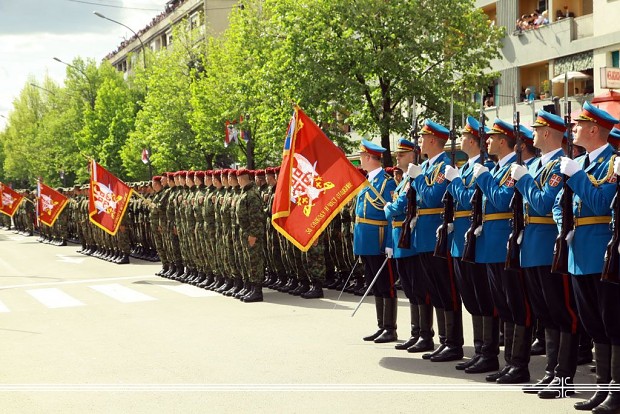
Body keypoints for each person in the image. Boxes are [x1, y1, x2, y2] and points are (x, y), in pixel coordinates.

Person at [555, 102, 620, 412]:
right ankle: (603, 388)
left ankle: (616, 393)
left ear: (595, 130)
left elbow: (600, 205)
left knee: (612, 323)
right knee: (593, 324)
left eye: (579, 126)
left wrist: (576, 176)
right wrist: (563, 226)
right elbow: (560, 203)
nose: (574, 130)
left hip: (601, 253)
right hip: (579, 251)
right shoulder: (582, 163)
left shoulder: (613, 163)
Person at [511, 109, 580, 399]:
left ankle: (564, 377)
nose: (532, 135)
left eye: (537, 130)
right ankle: (551, 372)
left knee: (562, 313)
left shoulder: (560, 167)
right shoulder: (539, 164)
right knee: (545, 313)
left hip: (549, 244)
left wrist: (524, 180)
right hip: (532, 246)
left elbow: (542, 204)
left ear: (549, 133)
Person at [473, 119, 533, 384]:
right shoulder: (498, 168)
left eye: (493, 137)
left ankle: (519, 364)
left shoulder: (514, 168)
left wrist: (484, 178)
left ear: (503, 141)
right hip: (492, 245)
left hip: (505, 245)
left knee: (515, 305)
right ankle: (508, 362)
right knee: (502, 306)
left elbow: (500, 201)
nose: (487, 141)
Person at [444, 116, 499, 372]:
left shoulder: (484, 167)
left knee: (482, 296)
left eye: (465, 136)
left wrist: (454, 182)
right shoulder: (467, 167)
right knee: (471, 298)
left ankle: (488, 352)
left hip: (476, 239)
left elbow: (467, 200)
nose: (460, 140)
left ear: (474, 142)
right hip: (461, 239)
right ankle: (479, 350)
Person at [407, 119, 464, 362]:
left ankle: (454, 342)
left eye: (422, 138)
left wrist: (418, 179)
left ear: (432, 140)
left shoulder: (444, 167)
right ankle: (444, 341)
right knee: (435, 290)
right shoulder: (429, 166)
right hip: (424, 235)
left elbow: (431, 198)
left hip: (438, 236)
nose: (419, 142)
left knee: (446, 289)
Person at [354, 139, 397, 343]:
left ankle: (390, 327)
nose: (360, 159)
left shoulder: (387, 182)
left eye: (362, 156)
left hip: (379, 239)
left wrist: (389, 241)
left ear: (370, 158)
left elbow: (391, 215)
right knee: (375, 284)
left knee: (385, 284)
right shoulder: (368, 181)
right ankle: (381, 326)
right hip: (367, 241)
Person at [384, 138, 425, 351]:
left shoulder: (412, 177)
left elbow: (400, 205)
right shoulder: (403, 180)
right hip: (400, 238)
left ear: (413, 155)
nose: (397, 157)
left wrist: (390, 207)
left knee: (417, 287)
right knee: (409, 288)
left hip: (409, 239)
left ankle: (423, 334)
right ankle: (415, 331)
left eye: (402, 154)